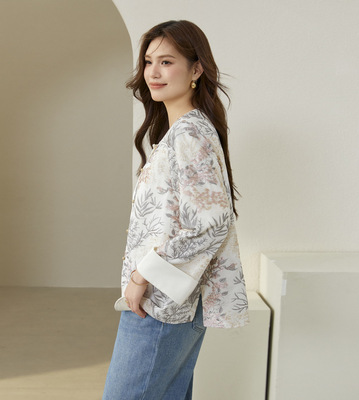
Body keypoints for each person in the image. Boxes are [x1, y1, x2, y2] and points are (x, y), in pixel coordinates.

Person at [102, 20, 249, 400]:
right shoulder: (185, 130)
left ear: (196, 69)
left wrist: (141, 276)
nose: (153, 72)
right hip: (170, 300)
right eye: (149, 62)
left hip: (163, 303)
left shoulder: (190, 134)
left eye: (166, 62)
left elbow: (211, 223)